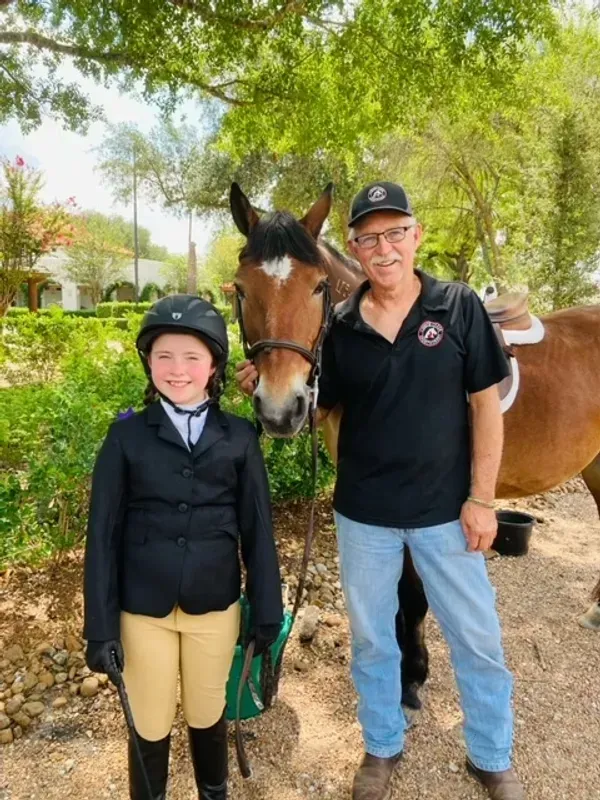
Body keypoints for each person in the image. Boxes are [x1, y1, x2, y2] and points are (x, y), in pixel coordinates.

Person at [236, 182, 523, 800]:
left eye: (396, 233)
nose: (384, 246)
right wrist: (267, 395)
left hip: (446, 513)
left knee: (477, 638)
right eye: (370, 236)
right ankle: (382, 747)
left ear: (416, 237)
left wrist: (482, 497)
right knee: (372, 641)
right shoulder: (337, 323)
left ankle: (492, 756)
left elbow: (485, 405)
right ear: (356, 248)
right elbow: (323, 408)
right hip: (364, 516)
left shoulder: (458, 306)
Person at [83, 294, 283, 800]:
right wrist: (99, 628)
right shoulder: (125, 436)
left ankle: (213, 792)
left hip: (213, 605)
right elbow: (102, 537)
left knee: (207, 710)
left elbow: (258, 530)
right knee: (149, 719)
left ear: (213, 364)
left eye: (192, 357)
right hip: (143, 610)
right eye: (164, 356)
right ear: (148, 362)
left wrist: (266, 610)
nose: (177, 369)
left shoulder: (239, 437)